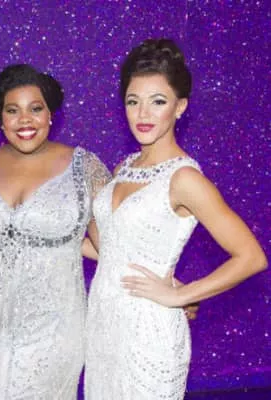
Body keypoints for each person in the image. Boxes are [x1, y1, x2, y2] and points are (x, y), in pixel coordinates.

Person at [84, 38, 268, 399]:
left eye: (158, 102)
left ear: (180, 107)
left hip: (151, 330)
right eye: (133, 101)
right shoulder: (123, 169)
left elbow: (251, 257)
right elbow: (111, 250)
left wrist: (182, 294)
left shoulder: (184, 179)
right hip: (103, 325)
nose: (143, 114)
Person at [0, 64, 110, 399]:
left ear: (51, 114)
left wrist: (165, 283)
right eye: (13, 110)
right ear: (0, 118)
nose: (25, 120)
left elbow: (115, 245)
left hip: (54, 332)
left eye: (35, 108)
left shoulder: (84, 168)